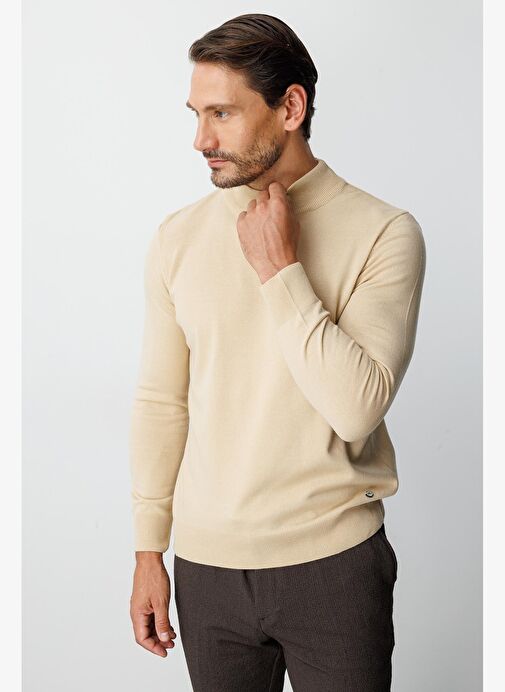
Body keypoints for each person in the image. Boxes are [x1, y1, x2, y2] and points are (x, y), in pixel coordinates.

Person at [128, 12, 426, 692]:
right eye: (197, 114)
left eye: (223, 114)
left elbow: (356, 408)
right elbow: (161, 401)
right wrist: (149, 550)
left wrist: (280, 270)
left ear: (290, 108)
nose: (201, 140)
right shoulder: (177, 237)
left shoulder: (384, 232)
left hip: (334, 564)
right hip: (205, 568)